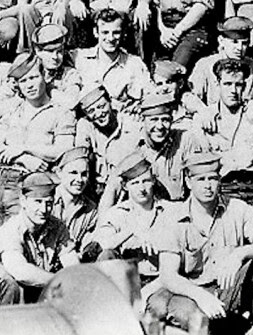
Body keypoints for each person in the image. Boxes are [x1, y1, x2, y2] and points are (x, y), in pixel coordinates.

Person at [147, 150, 253, 335]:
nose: (208, 185)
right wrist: (202, 297)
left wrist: (239, 253)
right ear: (188, 181)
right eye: (201, 179)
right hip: (189, 292)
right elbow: (168, 276)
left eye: (213, 178)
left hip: (226, 288)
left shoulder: (236, 208)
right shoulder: (173, 217)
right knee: (191, 317)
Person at [0, 54, 75, 227]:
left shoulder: (61, 112)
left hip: (35, 186)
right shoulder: (12, 110)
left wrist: (24, 147)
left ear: (45, 76)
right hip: (3, 181)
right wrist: (22, 158)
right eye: (23, 81)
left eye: (34, 78)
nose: (29, 85)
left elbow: (64, 149)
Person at [190, 57, 253, 215]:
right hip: (222, 190)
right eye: (228, 84)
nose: (233, 91)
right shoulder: (205, 116)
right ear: (217, 84)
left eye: (238, 85)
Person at [0, 172, 79, 303]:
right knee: (12, 286)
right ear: (23, 201)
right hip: (11, 290)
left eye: (49, 203)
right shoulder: (10, 230)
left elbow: (71, 261)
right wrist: (58, 281)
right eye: (38, 202)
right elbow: (19, 271)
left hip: (41, 283)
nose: (43, 209)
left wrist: (75, 279)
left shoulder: (57, 227)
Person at [103, 91, 198, 208]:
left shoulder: (185, 141)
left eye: (165, 120)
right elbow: (111, 191)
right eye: (154, 120)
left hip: (177, 213)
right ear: (142, 120)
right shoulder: (128, 146)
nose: (160, 126)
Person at [92, 152, 169, 284]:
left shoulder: (168, 211)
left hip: (161, 279)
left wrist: (158, 240)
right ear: (125, 186)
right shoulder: (117, 213)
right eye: (135, 183)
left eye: (146, 181)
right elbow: (102, 244)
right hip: (127, 280)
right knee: (107, 255)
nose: (142, 188)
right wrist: (133, 231)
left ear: (154, 181)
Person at [183, 18, 253, 118]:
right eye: (234, 42)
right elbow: (190, 97)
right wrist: (203, 111)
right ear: (221, 41)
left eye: (244, 43)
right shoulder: (205, 65)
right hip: (216, 121)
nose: (240, 48)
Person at [73, 9, 150, 113]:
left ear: (123, 33)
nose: (110, 38)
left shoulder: (134, 64)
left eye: (116, 33)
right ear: (95, 32)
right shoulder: (79, 57)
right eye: (105, 32)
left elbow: (150, 95)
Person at [74, 86, 129, 196]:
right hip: (99, 188)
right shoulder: (85, 125)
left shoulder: (127, 120)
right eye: (91, 111)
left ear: (110, 102)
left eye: (101, 106)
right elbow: (81, 155)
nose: (98, 114)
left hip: (127, 185)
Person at [51, 147, 98, 254]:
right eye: (73, 173)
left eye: (84, 174)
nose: (79, 180)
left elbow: (85, 243)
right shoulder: (46, 200)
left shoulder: (90, 209)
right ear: (59, 172)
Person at [34, 24, 82, 108]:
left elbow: (71, 102)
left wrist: (48, 89)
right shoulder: (31, 70)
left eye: (59, 51)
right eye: (50, 51)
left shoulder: (69, 74)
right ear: (38, 51)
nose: (55, 57)